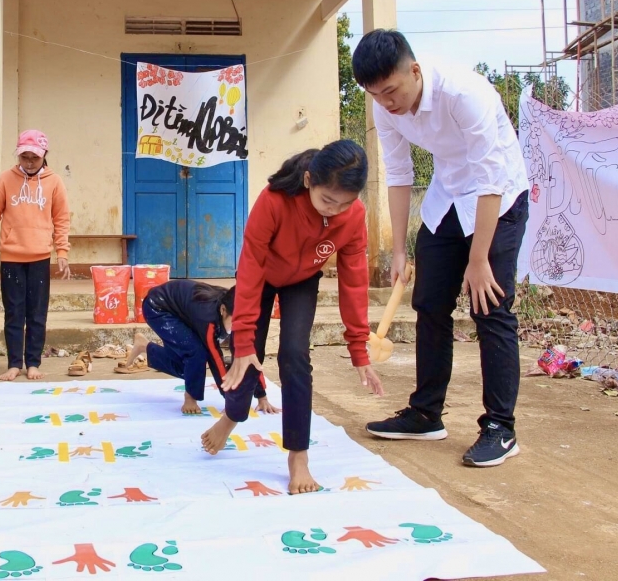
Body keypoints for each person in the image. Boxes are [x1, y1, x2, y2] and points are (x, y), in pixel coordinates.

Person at [353, 29, 529, 468]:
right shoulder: (384, 104)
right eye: (376, 95)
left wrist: (478, 259)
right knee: (429, 304)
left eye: (391, 90)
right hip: (448, 193)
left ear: (414, 71)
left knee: (490, 306)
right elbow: (397, 172)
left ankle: (499, 428)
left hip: (498, 197)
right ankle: (426, 413)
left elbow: (491, 178)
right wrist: (396, 251)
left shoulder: (465, 93)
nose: (387, 103)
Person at [214, 141, 385, 495]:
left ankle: (298, 455)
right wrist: (243, 339)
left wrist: (359, 348)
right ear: (309, 181)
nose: (336, 211)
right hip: (260, 278)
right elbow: (250, 265)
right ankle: (232, 416)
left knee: (295, 355)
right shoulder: (274, 200)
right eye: (327, 201)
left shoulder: (352, 218)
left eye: (345, 204)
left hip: (302, 281)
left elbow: (354, 282)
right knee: (247, 358)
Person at [0, 130, 71, 382]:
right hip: (11, 258)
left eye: (34, 158)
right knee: (14, 312)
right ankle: (14, 363)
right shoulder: (6, 179)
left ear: (44, 156)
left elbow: (61, 219)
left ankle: (33, 363)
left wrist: (62, 252)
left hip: (39, 257)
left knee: (37, 313)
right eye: (24, 157)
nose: (28, 162)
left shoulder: (54, 182)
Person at [118, 281, 279, 415]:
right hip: (158, 307)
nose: (239, 326)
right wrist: (231, 401)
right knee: (196, 355)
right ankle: (190, 396)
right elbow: (216, 359)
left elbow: (250, 356)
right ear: (223, 310)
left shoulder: (234, 313)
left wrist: (262, 397)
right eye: (235, 320)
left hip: (185, 312)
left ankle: (145, 346)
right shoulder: (208, 317)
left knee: (190, 369)